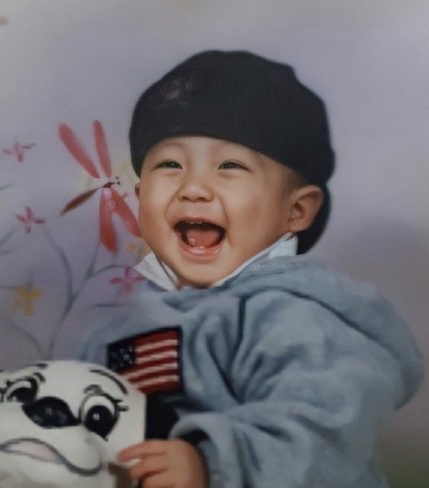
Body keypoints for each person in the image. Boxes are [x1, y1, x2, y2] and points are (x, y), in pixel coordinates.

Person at [79, 50, 423, 488]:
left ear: (296, 211)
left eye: (230, 166)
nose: (193, 189)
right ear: (140, 196)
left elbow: (322, 429)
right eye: (170, 165)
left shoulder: (300, 319)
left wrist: (212, 464)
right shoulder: (114, 330)